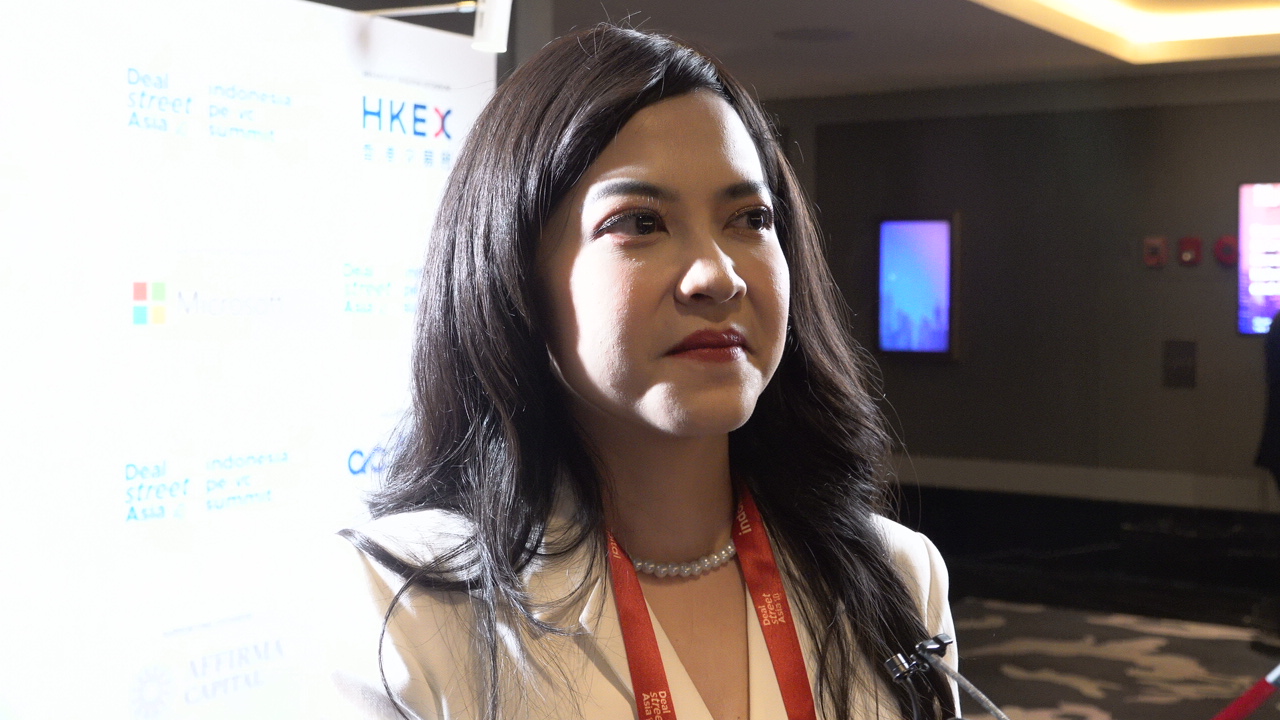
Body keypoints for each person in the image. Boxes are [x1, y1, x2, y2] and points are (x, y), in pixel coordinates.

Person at [318, 24, 959, 720]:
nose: (719, 276)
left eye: (750, 218)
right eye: (642, 223)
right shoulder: (408, 606)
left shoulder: (897, 573)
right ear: (514, 273)